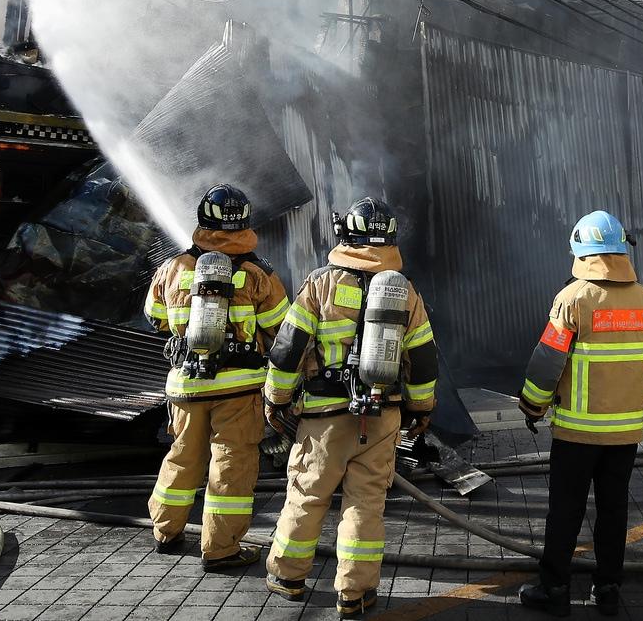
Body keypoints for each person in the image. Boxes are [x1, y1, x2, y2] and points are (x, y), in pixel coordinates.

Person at [262, 197, 438, 616]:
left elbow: (288, 350)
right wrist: (420, 409)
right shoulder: (405, 290)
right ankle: (355, 593)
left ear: (347, 235)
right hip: (382, 416)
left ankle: (288, 576)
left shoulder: (320, 283)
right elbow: (424, 357)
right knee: (366, 503)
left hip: (324, 417)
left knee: (308, 494)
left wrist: (276, 398)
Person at [516, 211, 643, 617]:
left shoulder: (572, 299)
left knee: (565, 511)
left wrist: (532, 405)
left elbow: (547, 363)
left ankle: (555, 589)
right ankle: (609, 589)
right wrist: (641, 399)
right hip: (625, 435)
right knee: (614, 510)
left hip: (576, 435)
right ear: (621, 248)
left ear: (581, 251)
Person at [142, 183, 291, 570]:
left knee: (181, 457)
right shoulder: (259, 274)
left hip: (185, 385)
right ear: (245, 222)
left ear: (202, 220)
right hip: (239, 389)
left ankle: (166, 532)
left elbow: (155, 318)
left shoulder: (175, 267)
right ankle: (221, 549)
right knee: (232, 464)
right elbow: (282, 331)